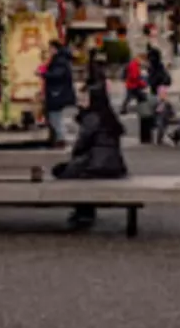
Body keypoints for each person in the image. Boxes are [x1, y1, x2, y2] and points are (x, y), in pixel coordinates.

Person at [53, 82, 129, 229]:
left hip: (96, 164)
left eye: (84, 99)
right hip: (114, 165)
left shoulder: (91, 118)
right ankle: (85, 212)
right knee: (77, 173)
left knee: (67, 173)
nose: (80, 102)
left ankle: (83, 213)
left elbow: (81, 145)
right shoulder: (108, 116)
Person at [41, 41, 77, 148]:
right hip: (58, 91)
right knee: (55, 117)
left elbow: (57, 74)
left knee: (55, 117)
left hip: (57, 92)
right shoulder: (61, 59)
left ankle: (60, 139)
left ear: (55, 49)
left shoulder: (59, 60)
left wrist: (43, 74)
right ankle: (57, 138)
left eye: (50, 48)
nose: (49, 51)